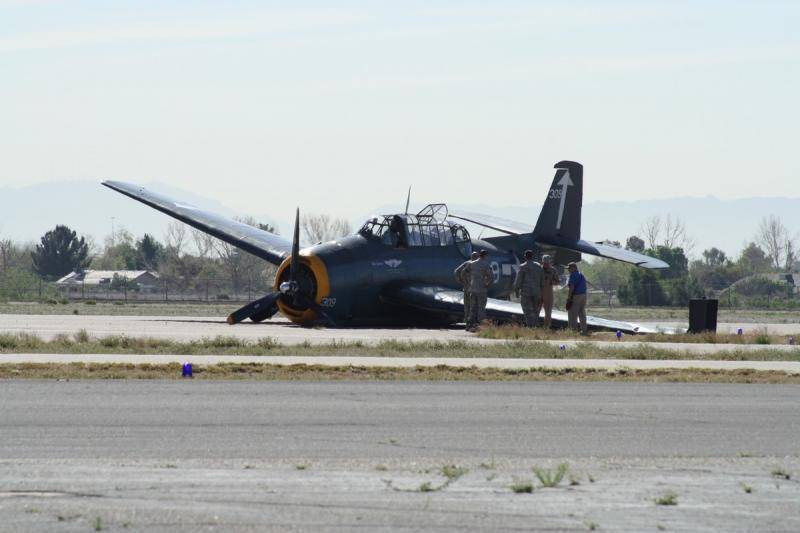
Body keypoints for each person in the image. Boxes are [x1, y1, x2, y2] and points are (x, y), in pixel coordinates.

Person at [513, 250, 543, 327]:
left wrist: (516, 290)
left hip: (526, 292)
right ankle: (535, 325)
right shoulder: (538, 266)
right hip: (536, 292)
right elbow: (542, 280)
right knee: (536, 310)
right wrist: (541, 292)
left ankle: (530, 326)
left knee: (527, 310)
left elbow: (519, 280)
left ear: (525, 257)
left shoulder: (523, 266)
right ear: (532, 256)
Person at [466, 249, 494, 331]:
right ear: (485, 256)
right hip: (481, 289)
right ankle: (481, 326)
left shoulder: (472, 263)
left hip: (473, 288)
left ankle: (469, 325)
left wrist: (468, 283)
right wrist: (487, 285)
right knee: (481, 308)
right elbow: (491, 278)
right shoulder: (486, 265)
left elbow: (464, 272)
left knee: (472, 308)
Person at [454, 251, 480, 327]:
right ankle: (472, 324)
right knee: (474, 306)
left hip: (466, 288)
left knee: (466, 307)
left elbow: (456, 272)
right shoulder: (475, 265)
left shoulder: (466, 263)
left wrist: (461, 282)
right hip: (473, 289)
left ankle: (468, 324)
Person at [566, 262, 588, 334]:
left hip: (576, 296)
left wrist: (569, 298)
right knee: (582, 313)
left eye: (569, 268)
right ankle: (584, 330)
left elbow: (571, 287)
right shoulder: (581, 274)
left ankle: (573, 331)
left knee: (572, 313)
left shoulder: (573, 275)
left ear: (574, 268)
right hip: (584, 295)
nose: (568, 270)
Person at [540, 255, 560, 329]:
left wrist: (551, 282)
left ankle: (546, 327)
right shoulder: (538, 269)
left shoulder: (553, 270)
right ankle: (534, 327)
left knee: (548, 313)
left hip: (548, 293)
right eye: (544, 263)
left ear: (549, 262)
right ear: (542, 262)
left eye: (547, 263)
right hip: (539, 293)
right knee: (536, 311)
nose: (546, 264)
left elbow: (558, 282)